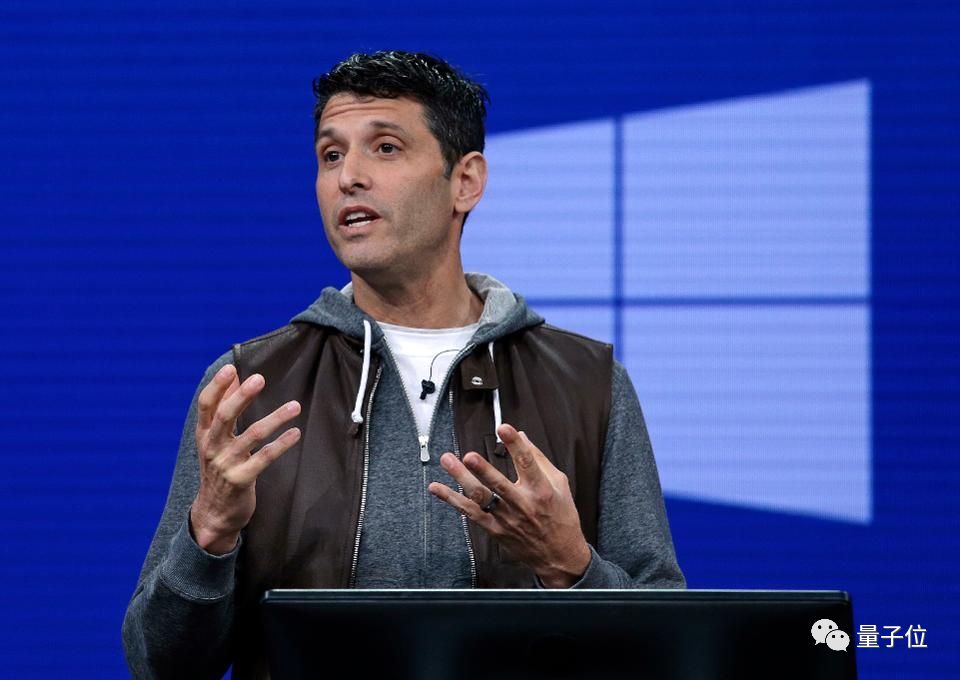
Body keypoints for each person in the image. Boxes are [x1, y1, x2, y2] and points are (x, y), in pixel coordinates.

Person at [122, 50, 684, 679]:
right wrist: (209, 535)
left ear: (465, 182)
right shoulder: (251, 387)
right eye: (330, 155)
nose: (348, 177)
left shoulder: (587, 383)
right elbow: (158, 665)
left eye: (385, 148)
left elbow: (666, 654)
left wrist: (571, 566)